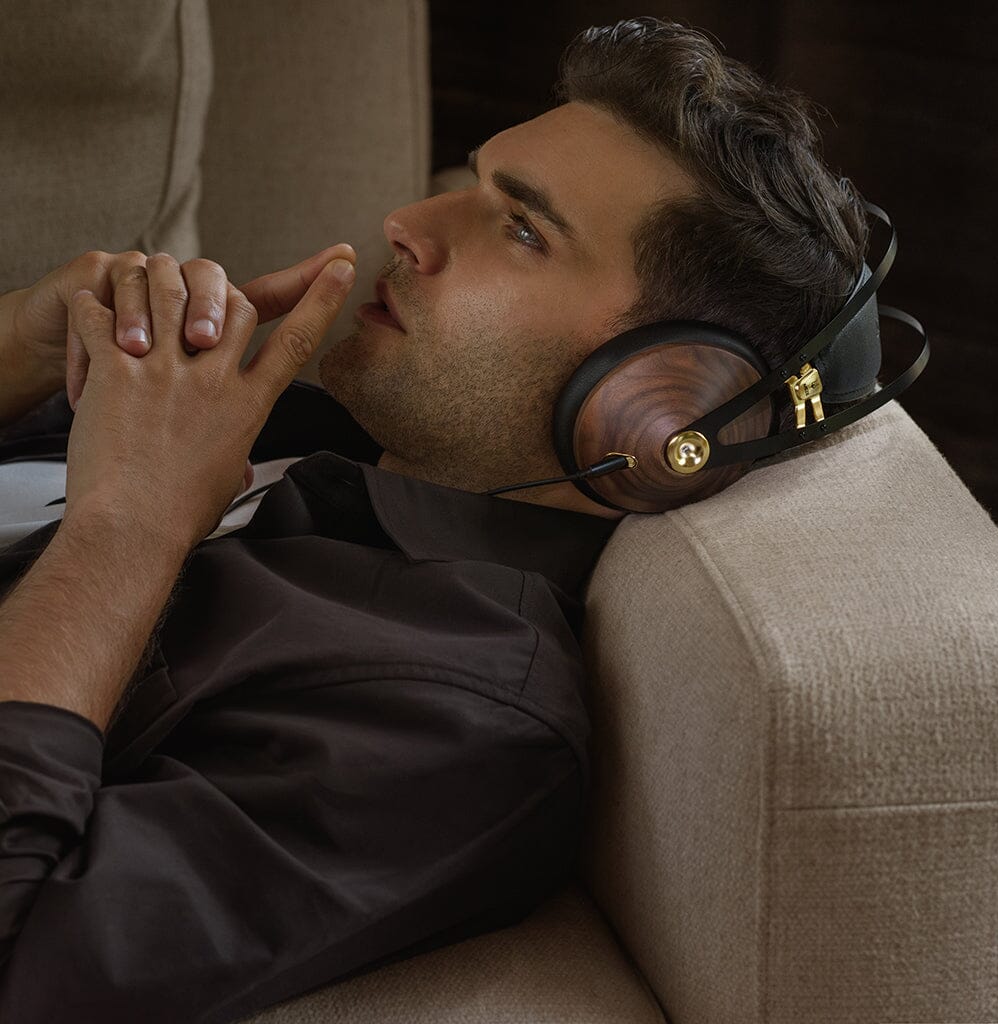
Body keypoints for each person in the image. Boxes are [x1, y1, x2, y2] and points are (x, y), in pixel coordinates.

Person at [0, 17, 869, 1023]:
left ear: (652, 404)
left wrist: (128, 526)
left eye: (524, 229)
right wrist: (19, 346)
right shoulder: (292, 426)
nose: (410, 220)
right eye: (470, 182)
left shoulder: (459, 715)